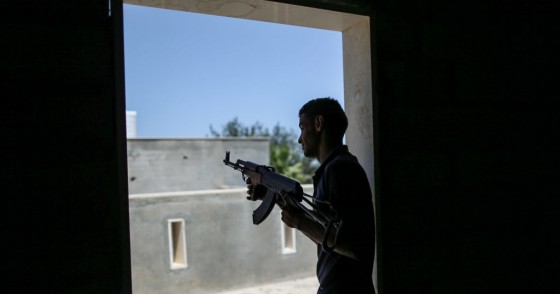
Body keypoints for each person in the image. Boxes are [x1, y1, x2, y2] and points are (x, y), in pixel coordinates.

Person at [249, 97, 376, 293]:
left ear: (318, 123)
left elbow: (356, 246)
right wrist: (273, 197)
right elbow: (328, 236)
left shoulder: (340, 169)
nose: (299, 138)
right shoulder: (333, 169)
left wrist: (300, 222)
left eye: (302, 127)